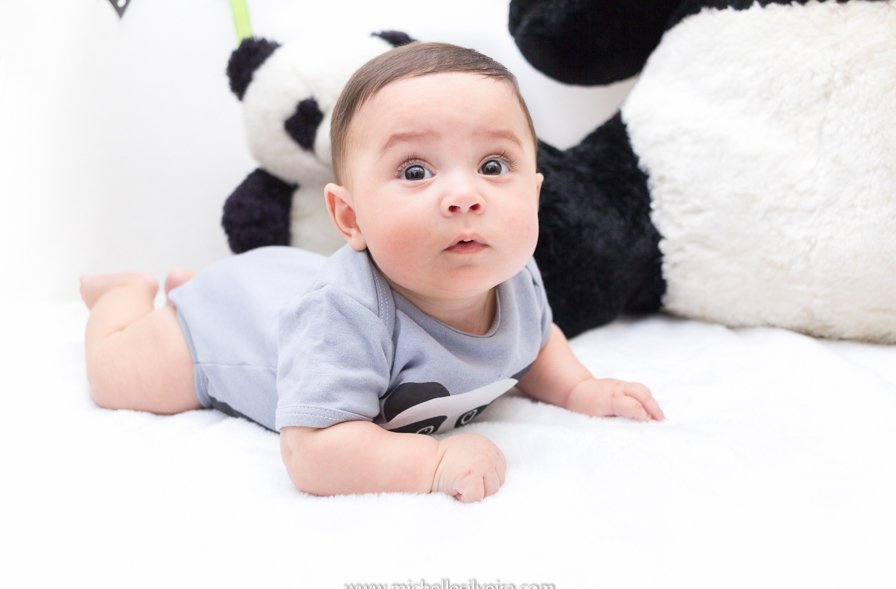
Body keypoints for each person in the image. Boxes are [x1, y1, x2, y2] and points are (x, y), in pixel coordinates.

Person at [80, 42, 663, 503]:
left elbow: (536, 342)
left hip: (285, 281)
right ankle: (131, 296)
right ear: (349, 218)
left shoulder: (512, 273)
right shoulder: (346, 314)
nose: (464, 195)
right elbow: (312, 450)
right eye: (414, 171)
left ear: (535, 196)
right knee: (118, 377)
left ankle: (195, 282)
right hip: (222, 334)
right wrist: (431, 463)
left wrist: (579, 388)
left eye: (493, 164)